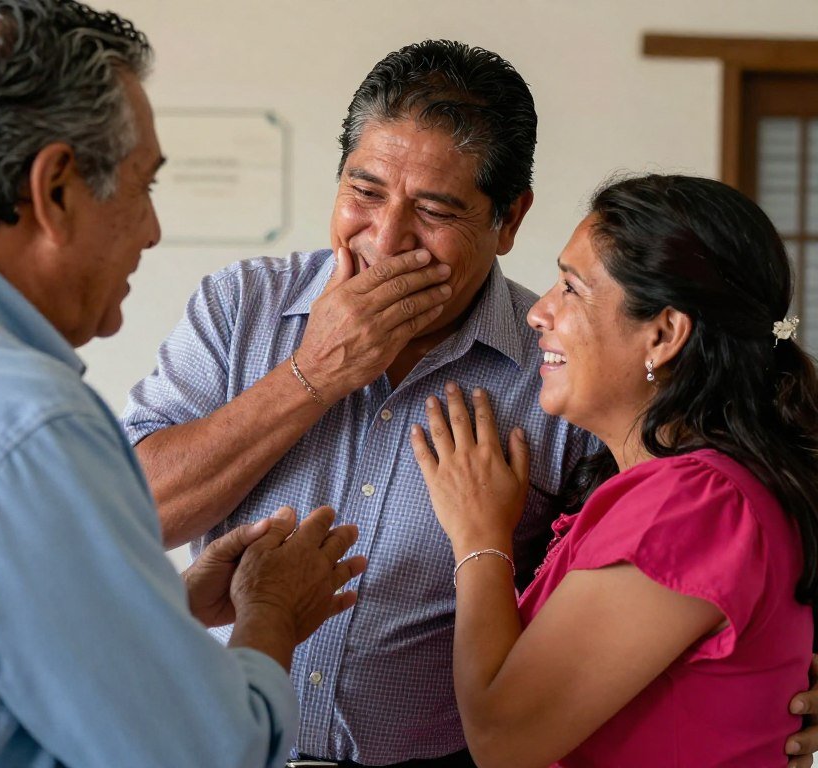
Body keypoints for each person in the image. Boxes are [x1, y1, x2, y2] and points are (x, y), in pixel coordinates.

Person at [123, 41, 818, 766]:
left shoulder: (567, 382)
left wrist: (780, 669)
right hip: (214, 745)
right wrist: (311, 375)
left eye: (433, 210)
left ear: (509, 219)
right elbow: (132, 511)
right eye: (365, 192)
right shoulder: (240, 307)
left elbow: (692, 578)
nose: (387, 238)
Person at [0, 1, 366, 766]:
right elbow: (203, 755)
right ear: (57, 190)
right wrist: (271, 613)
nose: (152, 231)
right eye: (142, 185)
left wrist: (150, 614)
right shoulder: (25, 424)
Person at [411, 173, 818, 766]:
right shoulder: (682, 489)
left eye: (571, 289)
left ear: (663, 335)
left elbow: (502, 741)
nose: (539, 312)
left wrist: (478, 536)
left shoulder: (695, 505)